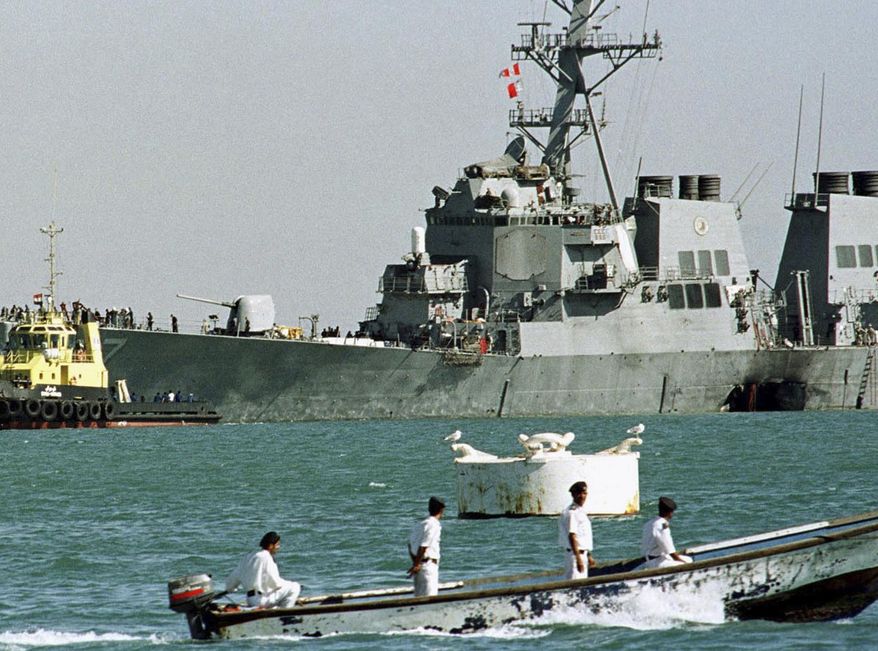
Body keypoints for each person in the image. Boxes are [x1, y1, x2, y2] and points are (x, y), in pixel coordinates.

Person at [225, 531, 301, 608]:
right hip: (261, 600)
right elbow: (274, 582)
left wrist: (230, 589)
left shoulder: (249, 556)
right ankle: (285, 613)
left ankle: (278, 608)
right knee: (295, 587)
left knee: (286, 589)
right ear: (271, 545)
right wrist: (288, 583)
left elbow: (234, 577)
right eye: (277, 544)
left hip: (250, 599)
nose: (278, 547)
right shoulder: (266, 557)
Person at [639, 496, 693, 569]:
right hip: (654, 562)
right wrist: (683, 563)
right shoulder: (661, 525)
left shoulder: (649, 523)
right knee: (685, 564)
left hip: (651, 558)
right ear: (670, 512)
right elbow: (669, 549)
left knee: (689, 559)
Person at [407, 496, 444, 597]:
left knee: (418, 599)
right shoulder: (434, 525)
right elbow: (424, 546)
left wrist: (415, 563)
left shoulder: (420, 524)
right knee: (430, 599)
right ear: (441, 510)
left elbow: (410, 545)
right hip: (428, 567)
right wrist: (416, 564)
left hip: (420, 567)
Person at [558, 481, 595, 580]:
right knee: (575, 585)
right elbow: (572, 536)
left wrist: (588, 555)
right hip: (575, 555)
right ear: (573, 495)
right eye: (579, 493)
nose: (582, 496)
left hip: (582, 555)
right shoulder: (572, 513)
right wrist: (578, 559)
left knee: (581, 585)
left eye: (584, 493)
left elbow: (581, 537)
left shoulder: (580, 511)